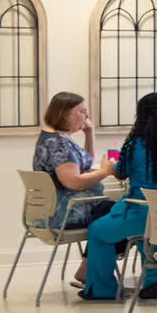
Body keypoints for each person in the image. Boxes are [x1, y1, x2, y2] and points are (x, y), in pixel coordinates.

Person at [79, 92, 157, 302]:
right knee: (148, 230)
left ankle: (103, 289)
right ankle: (153, 279)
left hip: (142, 211)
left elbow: (122, 171)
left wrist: (109, 168)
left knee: (97, 231)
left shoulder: (137, 144)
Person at [31, 91, 115, 287]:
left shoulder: (51, 138)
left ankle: (87, 269)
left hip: (54, 210)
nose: (86, 117)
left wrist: (89, 134)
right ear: (64, 114)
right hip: (67, 212)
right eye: (82, 112)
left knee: (112, 210)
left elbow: (84, 165)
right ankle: (92, 273)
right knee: (120, 213)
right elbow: (74, 182)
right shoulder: (59, 145)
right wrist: (106, 172)